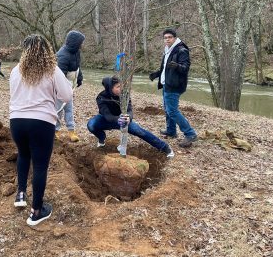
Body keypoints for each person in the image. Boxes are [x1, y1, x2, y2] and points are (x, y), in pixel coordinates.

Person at [9, 34, 73, 226]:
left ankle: (20, 194)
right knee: (40, 165)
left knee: (23, 155)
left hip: (17, 121)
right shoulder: (52, 70)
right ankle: (37, 211)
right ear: (47, 50)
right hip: (41, 122)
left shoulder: (15, 71)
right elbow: (66, 96)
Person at [87, 77, 174, 158]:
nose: (121, 88)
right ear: (110, 88)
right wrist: (118, 119)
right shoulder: (101, 97)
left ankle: (164, 147)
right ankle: (102, 138)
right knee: (91, 125)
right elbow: (107, 115)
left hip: (124, 120)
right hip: (105, 119)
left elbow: (130, 110)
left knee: (139, 131)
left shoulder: (125, 95)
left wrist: (129, 117)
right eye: (118, 86)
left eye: (122, 86)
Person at [149, 28, 198, 148]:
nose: (167, 39)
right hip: (167, 83)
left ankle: (190, 133)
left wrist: (177, 66)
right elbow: (166, 67)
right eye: (165, 38)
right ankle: (171, 131)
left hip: (175, 85)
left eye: (169, 37)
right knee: (167, 108)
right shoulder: (168, 49)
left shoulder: (181, 50)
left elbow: (185, 68)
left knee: (172, 110)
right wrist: (157, 74)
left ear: (175, 38)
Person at [55, 30, 85, 142]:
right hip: (60, 86)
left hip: (69, 84)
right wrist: (62, 90)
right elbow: (58, 76)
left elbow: (77, 67)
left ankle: (71, 131)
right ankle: (55, 132)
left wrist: (79, 78)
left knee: (69, 109)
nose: (82, 45)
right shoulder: (62, 55)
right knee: (58, 109)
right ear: (75, 43)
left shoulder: (76, 52)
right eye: (81, 42)